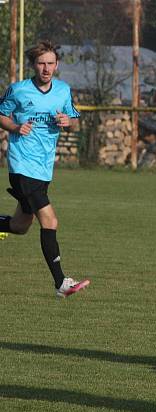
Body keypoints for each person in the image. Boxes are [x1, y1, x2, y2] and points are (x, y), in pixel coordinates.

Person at [0, 41, 89, 297]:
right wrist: (15, 127)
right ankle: (61, 283)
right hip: (21, 166)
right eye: (41, 63)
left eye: (50, 63)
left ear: (57, 65)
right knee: (50, 220)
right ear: (34, 65)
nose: (46, 68)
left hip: (43, 168)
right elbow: (1, 113)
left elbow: (74, 122)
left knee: (19, 226)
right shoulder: (19, 90)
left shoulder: (63, 90)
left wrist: (67, 121)